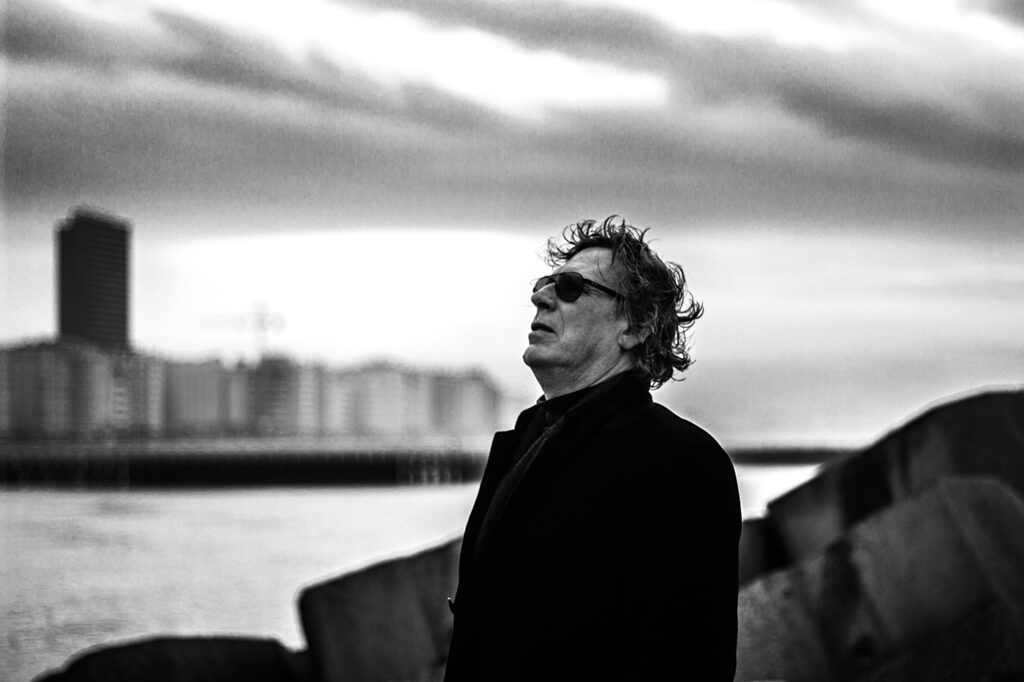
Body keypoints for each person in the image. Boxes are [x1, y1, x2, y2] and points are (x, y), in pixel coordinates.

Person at [444, 217, 741, 681]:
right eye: (544, 284)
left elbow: (685, 662)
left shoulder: (682, 463)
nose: (541, 297)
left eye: (569, 287)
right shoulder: (525, 441)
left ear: (635, 327)